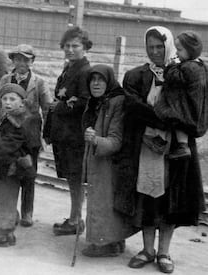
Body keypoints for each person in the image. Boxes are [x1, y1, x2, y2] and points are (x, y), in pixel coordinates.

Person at [117, 26, 206, 274]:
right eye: (151, 47)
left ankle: (164, 252)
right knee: (148, 196)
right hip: (146, 144)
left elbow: (193, 107)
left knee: (171, 200)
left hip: (177, 148)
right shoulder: (137, 76)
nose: (155, 52)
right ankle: (147, 249)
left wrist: (173, 123)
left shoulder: (183, 74)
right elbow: (133, 107)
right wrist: (163, 119)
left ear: (168, 46)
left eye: (160, 46)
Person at [0, 44, 52, 227]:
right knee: (8, 167)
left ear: (32, 61)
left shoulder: (38, 82)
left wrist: (45, 135)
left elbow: (47, 108)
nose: (22, 63)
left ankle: (27, 211)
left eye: (26, 59)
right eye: (18, 59)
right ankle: (10, 210)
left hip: (29, 132)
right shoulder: (6, 79)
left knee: (28, 171)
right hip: (8, 130)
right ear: (13, 60)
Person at [81, 65, 138, 257]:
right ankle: (111, 241)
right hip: (101, 160)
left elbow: (116, 140)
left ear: (109, 81)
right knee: (102, 200)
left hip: (112, 162)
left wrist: (95, 140)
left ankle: (106, 244)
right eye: (92, 79)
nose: (96, 83)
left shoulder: (116, 102)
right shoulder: (96, 101)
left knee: (104, 201)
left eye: (101, 79)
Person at [43, 26, 92, 235]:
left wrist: (60, 108)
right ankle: (74, 217)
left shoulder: (85, 71)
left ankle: (75, 220)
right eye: (67, 46)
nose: (70, 50)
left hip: (75, 133)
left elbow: (85, 101)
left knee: (76, 177)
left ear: (85, 48)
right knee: (72, 178)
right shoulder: (69, 69)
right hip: (64, 132)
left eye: (75, 46)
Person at [0, 83, 36, 247]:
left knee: (2, 197)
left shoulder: (19, 121)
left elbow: (10, 146)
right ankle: (7, 232)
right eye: (4, 99)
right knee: (4, 197)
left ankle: (1, 233)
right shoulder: (10, 117)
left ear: (21, 102)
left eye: (12, 99)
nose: (8, 102)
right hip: (4, 165)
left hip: (6, 166)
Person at [154, 30, 208, 159]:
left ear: (190, 50)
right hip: (197, 109)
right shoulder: (201, 66)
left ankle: (181, 147)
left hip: (187, 110)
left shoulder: (188, 67)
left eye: (179, 50)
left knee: (171, 115)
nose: (177, 53)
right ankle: (181, 146)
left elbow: (174, 77)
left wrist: (171, 66)